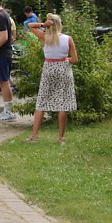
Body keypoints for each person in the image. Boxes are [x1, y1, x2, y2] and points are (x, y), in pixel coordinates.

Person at [26, 14, 78, 144]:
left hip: (48, 68)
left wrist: (43, 25)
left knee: (41, 101)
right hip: (63, 70)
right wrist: (67, 59)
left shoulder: (44, 37)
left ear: (49, 24)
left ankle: (34, 136)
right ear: (60, 24)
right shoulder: (68, 39)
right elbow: (75, 60)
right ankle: (61, 138)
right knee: (63, 103)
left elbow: (30, 25)